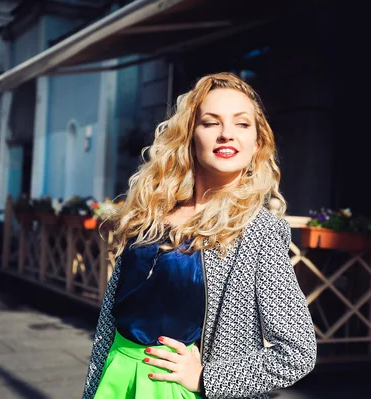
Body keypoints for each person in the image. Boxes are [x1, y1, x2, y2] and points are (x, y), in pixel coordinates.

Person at [82, 72, 317, 399]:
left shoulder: (258, 229)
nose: (226, 135)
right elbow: (111, 322)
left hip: (182, 391)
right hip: (116, 379)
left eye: (241, 124)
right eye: (210, 123)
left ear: (257, 142)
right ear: (190, 135)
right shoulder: (151, 212)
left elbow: (297, 352)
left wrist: (209, 378)